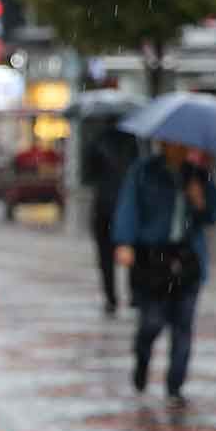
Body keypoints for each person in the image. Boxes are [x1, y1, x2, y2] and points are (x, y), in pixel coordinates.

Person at [112, 140, 216, 409]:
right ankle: (142, 359)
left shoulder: (197, 174)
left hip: (187, 259)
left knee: (183, 325)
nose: (180, 148)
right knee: (152, 322)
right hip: (152, 259)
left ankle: (175, 386)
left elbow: (214, 212)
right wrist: (125, 242)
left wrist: (200, 201)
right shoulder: (143, 171)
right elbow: (129, 208)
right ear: (163, 143)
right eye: (174, 143)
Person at [82, 121, 140, 316]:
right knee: (132, 249)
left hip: (104, 205)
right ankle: (134, 295)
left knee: (105, 255)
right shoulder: (132, 142)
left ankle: (111, 298)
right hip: (127, 203)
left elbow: (87, 176)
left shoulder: (97, 142)